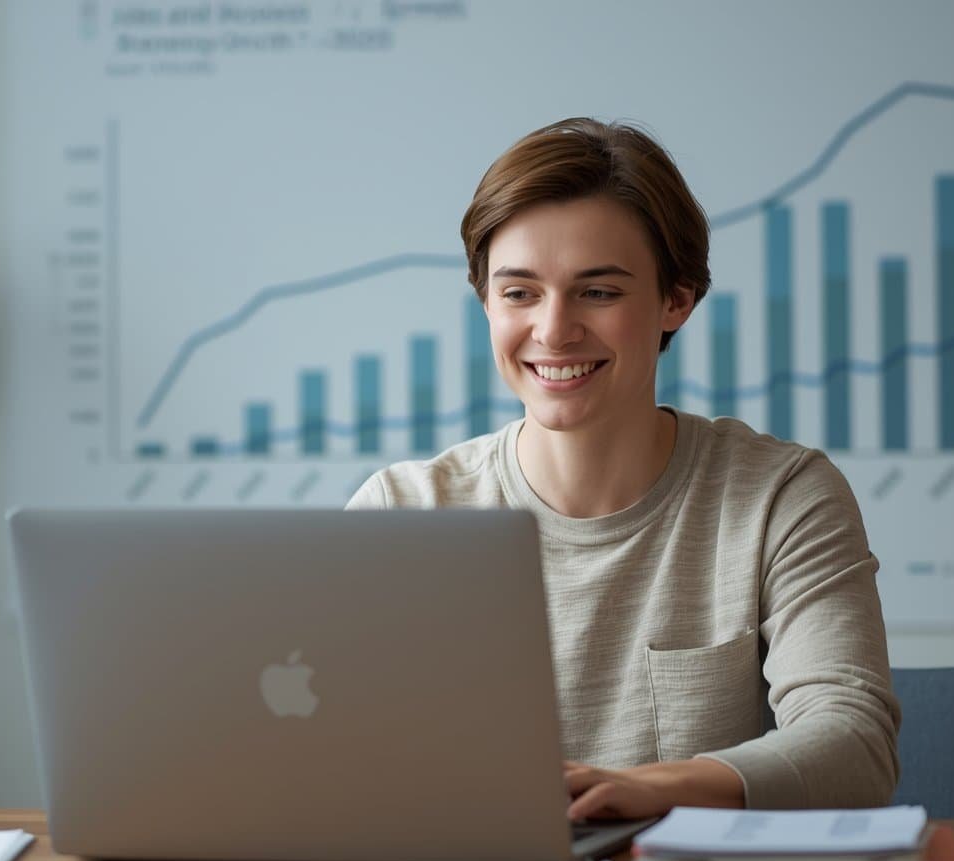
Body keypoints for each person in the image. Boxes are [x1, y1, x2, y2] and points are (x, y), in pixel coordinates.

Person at [348, 118, 899, 821]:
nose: (553, 331)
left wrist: (651, 789)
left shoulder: (780, 497)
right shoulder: (402, 512)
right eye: (519, 293)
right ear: (485, 300)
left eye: (598, 293)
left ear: (677, 299)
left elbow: (853, 745)